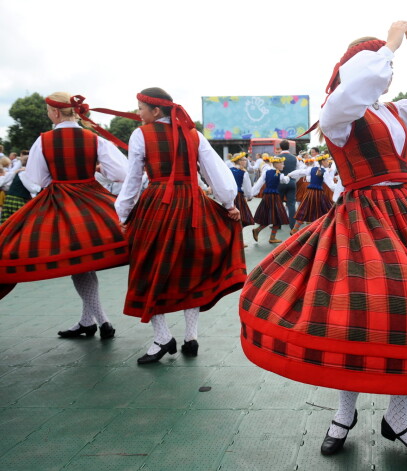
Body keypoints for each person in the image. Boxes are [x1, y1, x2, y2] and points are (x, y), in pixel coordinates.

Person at [239, 22, 407, 458]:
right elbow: (358, 87)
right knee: (352, 319)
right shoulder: (339, 113)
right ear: (355, 70)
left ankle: (399, 420)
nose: (388, 71)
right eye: (379, 65)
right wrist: (389, 45)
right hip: (360, 223)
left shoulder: (393, 112)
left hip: (406, 216)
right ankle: (344, 414)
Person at [115, 87, 246, 364]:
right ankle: (190, 336)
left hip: (158, 205)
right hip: (192, 205)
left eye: (140, 108)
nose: (138, 114)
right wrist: (228, 204)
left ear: (155, 111)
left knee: (150, 268)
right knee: (191, 267)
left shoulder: (141, 135)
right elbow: (215, 170)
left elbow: (133, 180)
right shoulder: (193, 134)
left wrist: (123, 213)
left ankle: (163, 337)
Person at [0, 92, 129, 336]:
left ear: (56, 112)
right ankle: (89, 322)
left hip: (59, 202)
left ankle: (102, 321)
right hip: (93, 200)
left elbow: (36, 179)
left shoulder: (44, 140)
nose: (47, 114)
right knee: (83, 262)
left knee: (78, 263)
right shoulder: (94, 139)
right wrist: (95, 172)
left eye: (48, 110)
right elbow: (122, 172)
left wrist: (58, 181)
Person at [287, 153, 336, 234]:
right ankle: (321, 231)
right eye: (327, 161)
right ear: (322, 161)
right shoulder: (325, 171)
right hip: (319, 194)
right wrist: (340, 187)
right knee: (323, 211)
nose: (328, 162)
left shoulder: (312, 169)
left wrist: (290, 174)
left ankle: (295, 229)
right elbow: (331, 186)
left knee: (304, 209)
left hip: (310, 193)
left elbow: (300, 172)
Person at [250, 156, 290, 243]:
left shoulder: (266, 172)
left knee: (271, 216)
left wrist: (251, 194)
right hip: (275, 197)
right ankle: (266, 235)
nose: (283, 165)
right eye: (282, 163)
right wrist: (288, 176)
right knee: (277, 216)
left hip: (267, 196)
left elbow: (259, 183)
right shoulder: (280, 174)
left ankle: (267, 235)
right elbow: (285, 181)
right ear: (277, 164)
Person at [0, 150, 40, 224]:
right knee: (17, 224)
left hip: (10, 199)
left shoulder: (20, 172)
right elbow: (33, 189)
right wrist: (41, 187)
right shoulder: (23, 173)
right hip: (17, 200)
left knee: (8, 223)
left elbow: (8, 185)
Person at [276, 139, 299, 229]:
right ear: (289, 147)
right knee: (291, 204)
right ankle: (292, 225)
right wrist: (294, 180)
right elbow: (298, 171)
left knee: (279, 203)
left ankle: (277, 225)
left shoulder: (277, 157)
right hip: (292, 181)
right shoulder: (295, 158)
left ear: (280, 147)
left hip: (280, 183)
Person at [229, 152, 255, 232]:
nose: (246, 161)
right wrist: (249, 196)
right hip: (238, 196)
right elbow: (247, 188)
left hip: (229, 196)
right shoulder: (244, 173)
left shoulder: (229, 170)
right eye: (244, 160)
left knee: (230, 218)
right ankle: (239, 240)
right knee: (241, 217)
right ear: (240, 161)